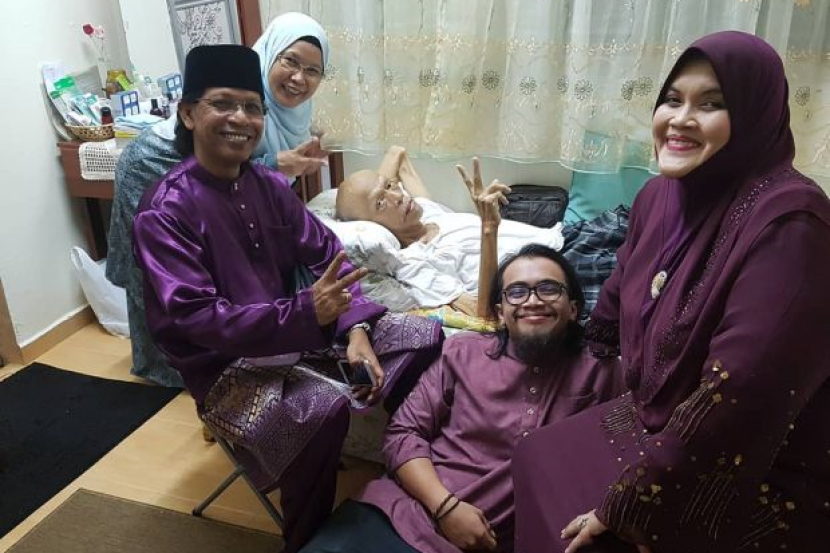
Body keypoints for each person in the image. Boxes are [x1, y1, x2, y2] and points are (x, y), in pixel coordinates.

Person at [512, 31, 830, 553]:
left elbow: (742, 396)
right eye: (672, 99)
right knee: (535, 453)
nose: (680, 119)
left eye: (711, 104)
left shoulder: (791, 225)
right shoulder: (657, 196)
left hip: (759, 464)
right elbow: (618, 293)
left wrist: (632, 502)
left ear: (756, 116)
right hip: (656, 415)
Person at [131, 44, 442, 553]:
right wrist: (305, 312)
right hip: (226, 368)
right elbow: (197, 318)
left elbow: (328, 254)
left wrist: (355, 328)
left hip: (302, 335)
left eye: (252, 107)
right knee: (321, 409)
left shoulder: (269, 186)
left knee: (421, 334)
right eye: (223, 104)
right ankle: (305, 538)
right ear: (187, 114)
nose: (241, 119)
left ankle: (410, 465)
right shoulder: (164, 211)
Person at [297, 243, 624, 553]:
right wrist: (446, 508)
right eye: (517, 292)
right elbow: (403, 433)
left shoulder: (602, 372)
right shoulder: (462, 352)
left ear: (573, 308)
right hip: (404, 516)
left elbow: (630, 459)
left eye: (549, 289)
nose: (533, 300)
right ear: (501, 313)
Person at [106, 11, 331, 386]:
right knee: (165, 281)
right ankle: (187, 369)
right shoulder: (164, 186)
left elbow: (319, 245)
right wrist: (275, 164)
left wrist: (352, 319)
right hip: (162, 171)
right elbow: (219, 166)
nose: (298, 78)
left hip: (254, 308)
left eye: (313, 70)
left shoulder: (281, 123)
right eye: (290, 61)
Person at [335, 146, 565, 314]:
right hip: (557, 270)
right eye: (381, 203)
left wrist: (379, 190)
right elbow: (482, 313)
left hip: (563, 236)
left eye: (390, 185)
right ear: (374, 226)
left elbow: (397, 154)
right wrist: (488, 229)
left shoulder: (426, 211)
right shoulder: (413, 264)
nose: (397, 196)